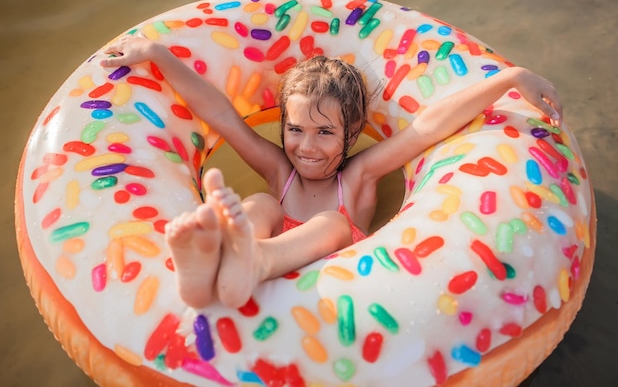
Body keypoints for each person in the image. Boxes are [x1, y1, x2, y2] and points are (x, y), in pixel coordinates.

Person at [100, 35, 562, 309]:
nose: (306, 147)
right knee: (260, 204)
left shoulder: (358, 177)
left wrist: (509, 78)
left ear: (353, 131)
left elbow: (425, 128)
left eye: (325, 132)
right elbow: (220, 115)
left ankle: (250, 258)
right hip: (250, 262)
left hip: (336, 281)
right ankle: (214, 263)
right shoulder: (279, 170)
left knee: (332, 223)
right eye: (295, 129)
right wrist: (157, 54)